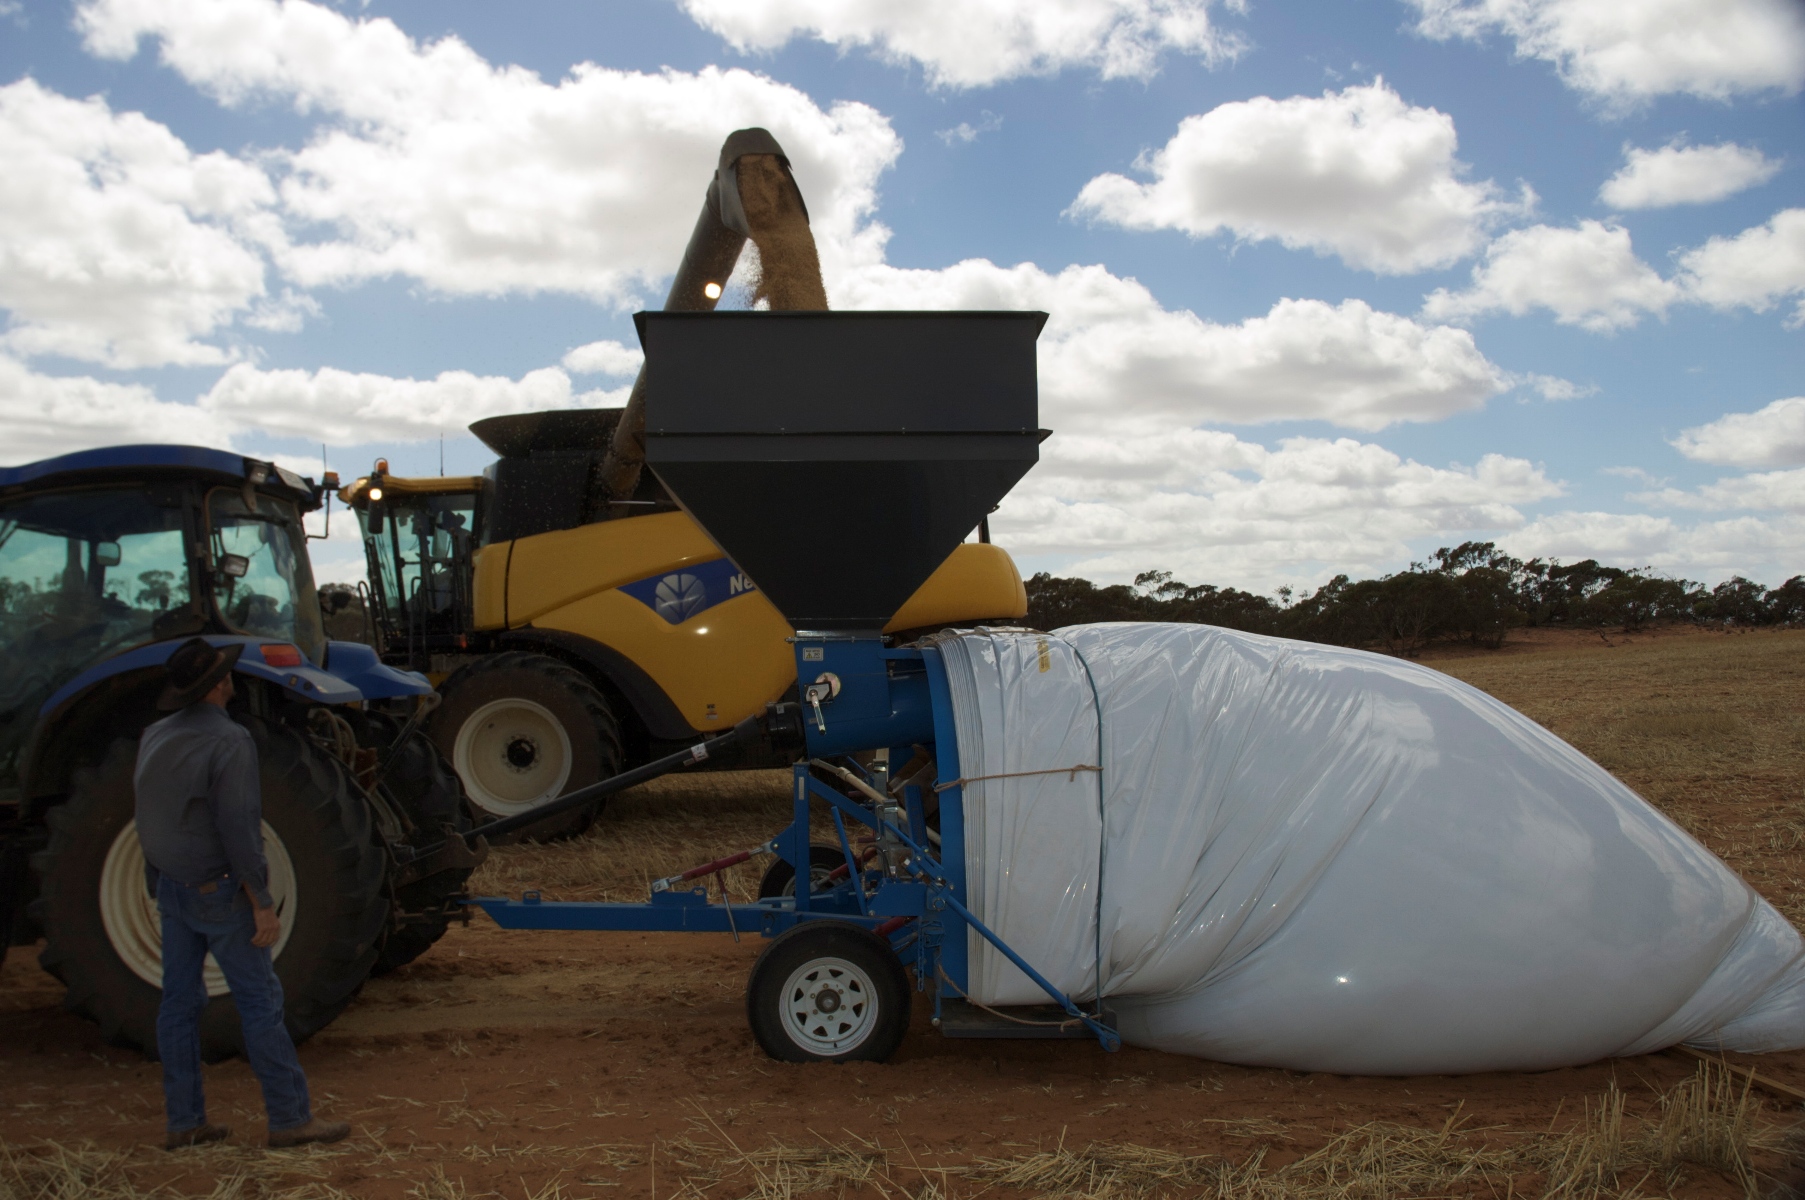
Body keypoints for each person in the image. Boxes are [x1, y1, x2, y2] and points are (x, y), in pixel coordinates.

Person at [135, 638, 350, 1150]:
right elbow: (239, 828)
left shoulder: (153, 735)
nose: (232, 678)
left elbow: (147, 810)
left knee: (178, 1007)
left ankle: (185, 1122)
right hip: (221, 893)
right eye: (227, 673)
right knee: (260, 1004)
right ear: (217, 686)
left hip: (172, 889)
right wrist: (260, 899)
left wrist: (155, 880)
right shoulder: (230, 742)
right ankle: (290, 1118)